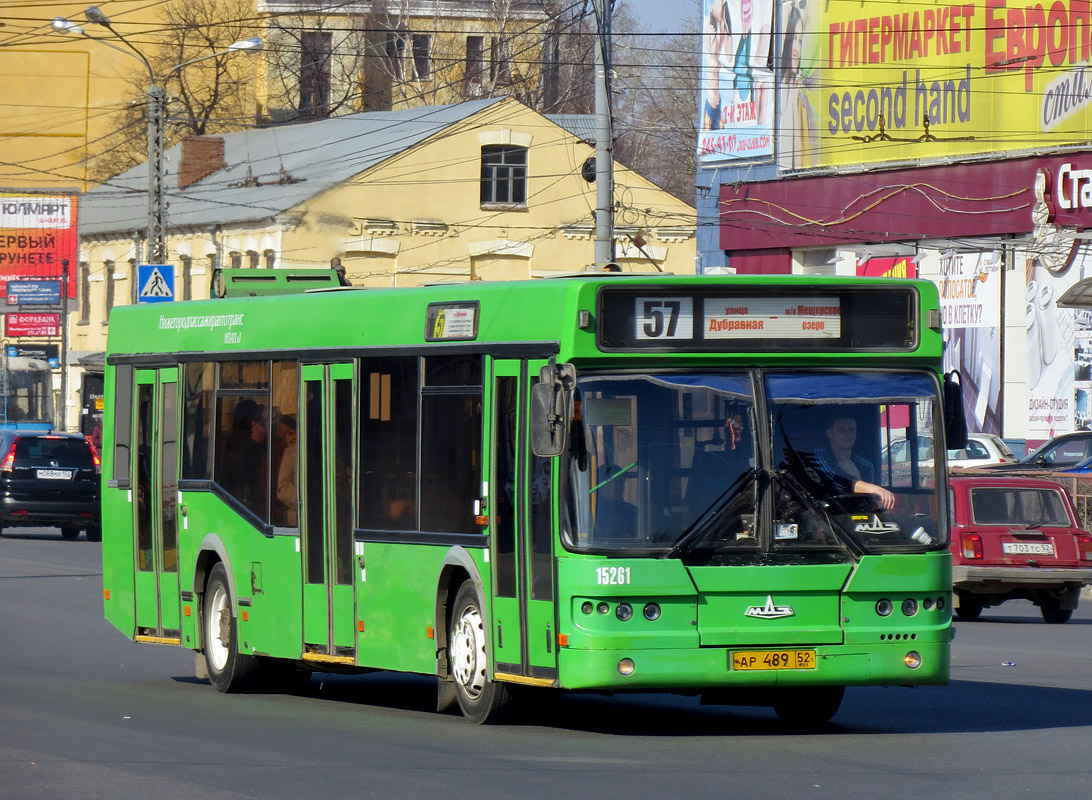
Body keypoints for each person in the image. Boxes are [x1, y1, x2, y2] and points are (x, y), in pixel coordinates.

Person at [814, 414, 896, 510]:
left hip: (855, 520)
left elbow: (867, 502)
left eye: (852, 429)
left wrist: (876, 499)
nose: (848, 434)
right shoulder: (818, 457)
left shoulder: (866, 465)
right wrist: (877, 490)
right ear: (830, 434)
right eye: (842, 430)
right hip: (823, 517)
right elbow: (839, 484)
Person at [276, 416, 298, 526]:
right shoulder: (282, 454)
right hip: (289, 517)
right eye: (290, 433)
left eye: (297, 433)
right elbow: (282, 489)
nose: (294, 437)